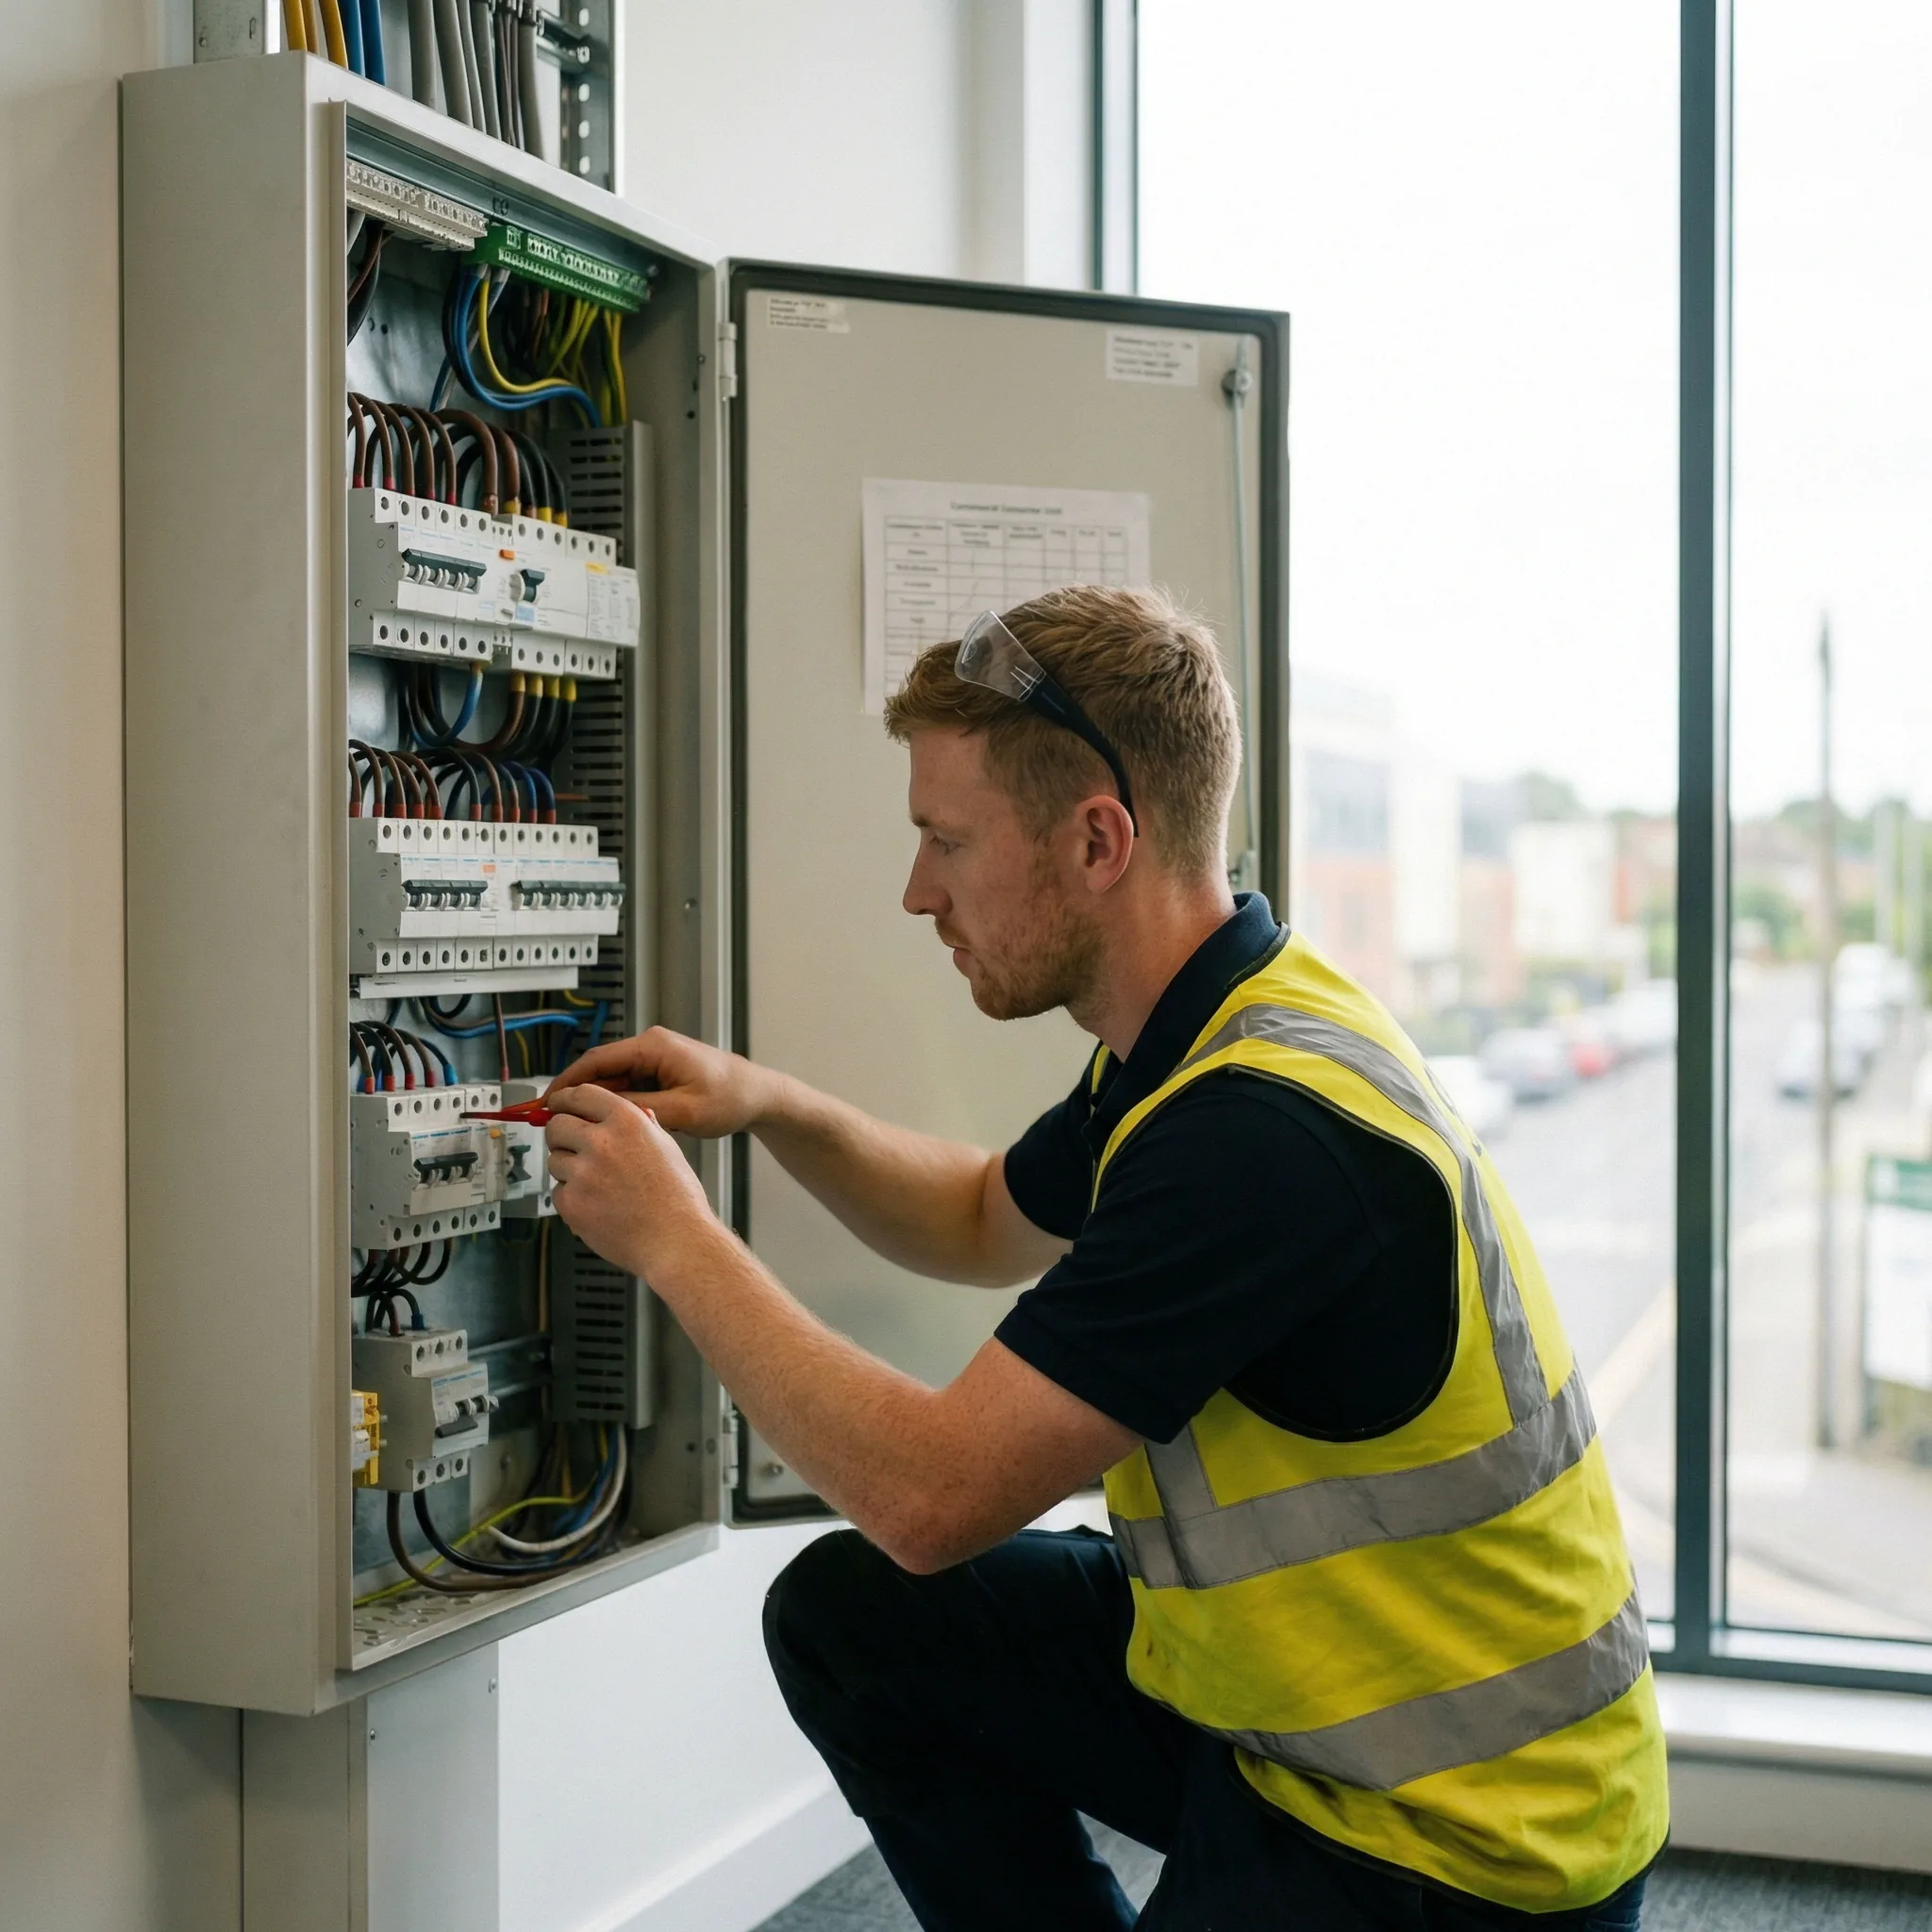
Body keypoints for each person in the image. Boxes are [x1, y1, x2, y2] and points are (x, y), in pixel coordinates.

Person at [541, 585, 1667, 1930]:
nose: (918, 892)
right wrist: (767, 1102)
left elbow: (930, 1494)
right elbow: (974, 1215)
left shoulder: (1260, 1136)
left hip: (1455, 1839)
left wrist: (676, 1240)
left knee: (899, 1553)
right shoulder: (1199, 1035)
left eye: (946, 841)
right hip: (1283, 1713)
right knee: (857, 1622)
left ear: (1097, 840)